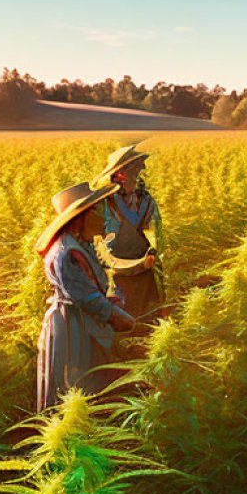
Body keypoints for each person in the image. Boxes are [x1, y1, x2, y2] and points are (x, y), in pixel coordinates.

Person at [34, 182, 135, 411]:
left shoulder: (81, 245)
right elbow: (89, 299)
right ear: (81, 217)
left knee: (90, 384)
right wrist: (118, 317)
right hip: (71, 327)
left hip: (82, 322)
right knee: (72, 386)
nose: (104, 217)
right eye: (98, 211)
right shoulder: (66, 252)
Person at [93, 144, 164, 320]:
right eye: (134, 169)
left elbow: (155, 230)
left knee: (147, 318)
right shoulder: (106, 204)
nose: (140, 172)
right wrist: (131, 264)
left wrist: (153, 251)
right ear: (120, 174)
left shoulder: (145, 200)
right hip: (117, 274)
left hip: (145, 272)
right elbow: (101, 244)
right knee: (123, 317)